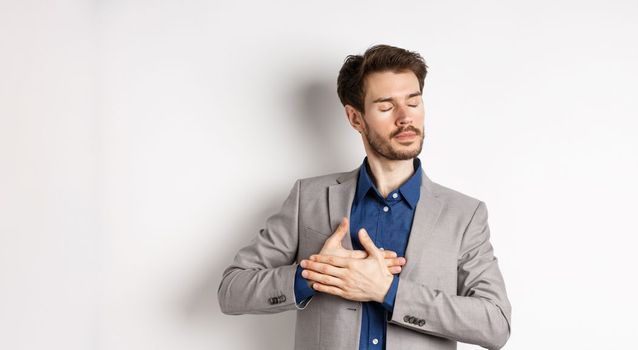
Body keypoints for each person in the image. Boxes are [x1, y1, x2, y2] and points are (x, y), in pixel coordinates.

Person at [218, 44, 511, 350]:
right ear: (355, 118)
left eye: (413, 102)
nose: (404, 118)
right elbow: (232, 290)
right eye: (386, 107)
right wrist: (314, 274)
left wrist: (389, 290)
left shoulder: (464, 215)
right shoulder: (309, 197)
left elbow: (496, 324)